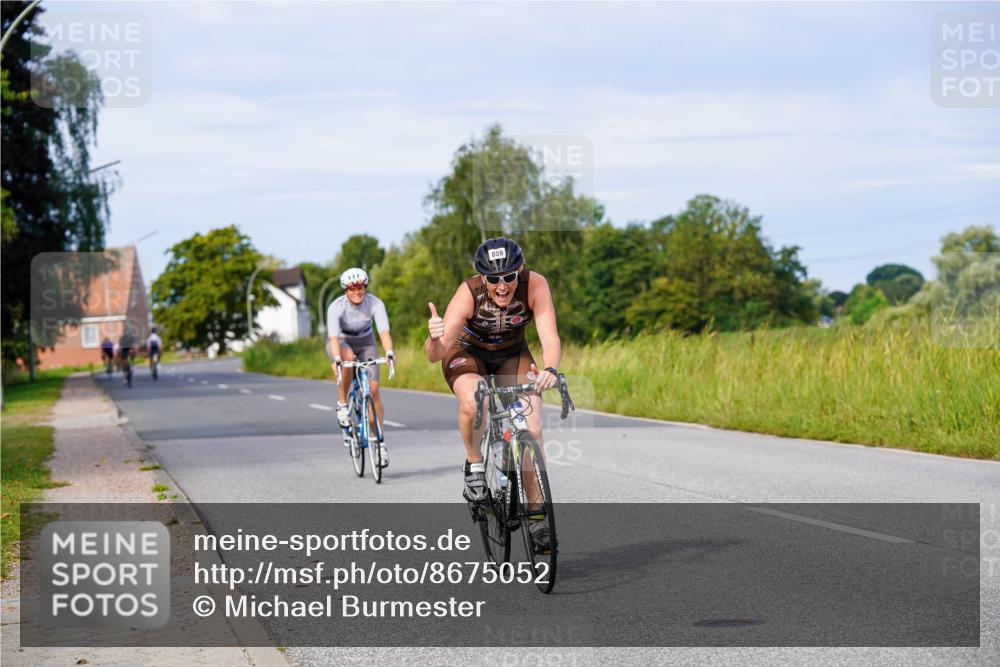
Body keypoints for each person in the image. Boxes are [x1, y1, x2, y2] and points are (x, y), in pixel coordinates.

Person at [424, 237, 561, 551]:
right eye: (494, 279)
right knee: (475, 400)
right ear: (482, 278)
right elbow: (436, 354)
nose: (502, 286)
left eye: (510, 277)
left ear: (519, 272)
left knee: (532, 427)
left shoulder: (535, 285)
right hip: (467, 353)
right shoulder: (468, 293)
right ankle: (474, 466)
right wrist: (433, 338)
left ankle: (537, 518)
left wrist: (550, 369)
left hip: (512, 355)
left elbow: (549, 337)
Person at [327, 268, 395, 467]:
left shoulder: (375, 303)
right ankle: (342, 404)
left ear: (365, 287)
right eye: (352, 288)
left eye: (361, 287)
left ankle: (380, 444)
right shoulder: (336, 307)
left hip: (366, 342)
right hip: (342, 342)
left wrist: (389, 352)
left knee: (373, 391)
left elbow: (383, 332)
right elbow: (332, 338)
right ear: (346, 290)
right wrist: (337, 359)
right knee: (347, 357)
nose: (357, 291)